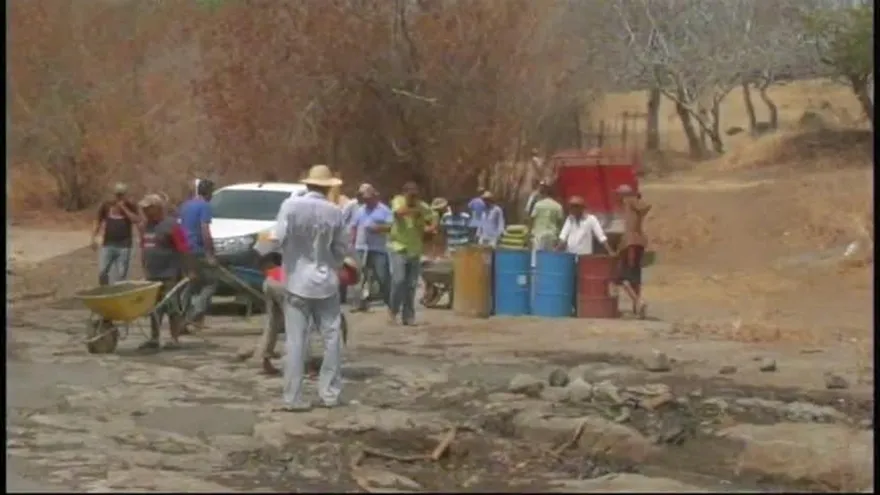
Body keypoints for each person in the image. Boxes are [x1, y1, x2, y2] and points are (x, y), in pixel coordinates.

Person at [271, 164, 350, 411]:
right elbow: (340, 250)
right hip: (326, 281)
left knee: (296, 341)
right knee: (332, 337)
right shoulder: (334, 212)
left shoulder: (290, 206)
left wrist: (288, 257)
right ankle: (329, 393)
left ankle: (293, 397)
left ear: (307, 184)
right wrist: (330, 264)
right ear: (328, 188)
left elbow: (279, 239)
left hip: (296, 281)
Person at [137, 194, 192, 351]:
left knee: (172, 306)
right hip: (152, 274)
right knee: (154, 308)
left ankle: (174, 339)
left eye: (148, 209)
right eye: (144, 209)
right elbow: (144, 247)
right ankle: (154, 338)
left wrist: (189, 270)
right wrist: (144, 267)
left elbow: (183, 248)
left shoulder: (171, 225)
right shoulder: (145, 226)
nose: (145, 212)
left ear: (158, 208)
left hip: (169, 273)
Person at [388, 180, 437, 326]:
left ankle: (408, 315)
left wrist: (431, 227)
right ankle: (393, 310)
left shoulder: (422, 206)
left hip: (415, 248)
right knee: (398, 280)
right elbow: (399, 212)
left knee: (411, 284)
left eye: (415, 195)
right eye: (410, 195)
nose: (413, 198)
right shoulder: (398, 201)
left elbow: (433, 217)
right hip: (398, 247)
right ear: (404, 194)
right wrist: (416, 211)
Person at [235, 256, 286, 375]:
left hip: (272, 278)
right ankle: (303, 363)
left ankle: (264, 359)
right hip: (287, 281)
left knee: (272, 324)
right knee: (297, 325)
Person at [179, 178, 217, 331]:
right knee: (210, 283)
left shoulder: (185, 205)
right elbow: (205, 230)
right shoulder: (205, 206)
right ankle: (194, 313)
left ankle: (181, 317)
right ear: (208, 193)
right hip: (197, 250)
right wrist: (210, 253)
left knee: (189, 283)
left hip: (183, 249)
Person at [350, 185, 392, 312]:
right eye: (365, 199)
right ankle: (360, 303)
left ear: (375, 197)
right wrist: (352, 242)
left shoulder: (384, 210)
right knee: (359, 276)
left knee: (382, 275)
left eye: (369, 198)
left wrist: (378, 228)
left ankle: (390, 301)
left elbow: (391, 226)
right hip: (361, 247)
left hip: (378, 248)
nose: (366, 201)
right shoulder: (360, 210)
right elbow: (353, 226)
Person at [91, 182, 140, 286]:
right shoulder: (107, 205)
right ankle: (104, 291)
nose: (119, 197)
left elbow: (136, 220)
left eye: (122, 195)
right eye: (118, 195)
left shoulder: (131, 206)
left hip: (124, 246)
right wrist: (93, 238)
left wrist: (124, 208)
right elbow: (98, 221)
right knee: (102, 271)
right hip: (108, 244)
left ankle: (118, 295)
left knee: (121, 275)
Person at [614, 184, 651, 319]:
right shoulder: (631, 206)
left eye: (619, 194)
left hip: (630, 243)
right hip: (638, 241)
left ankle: (638, 301)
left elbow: (646, 205)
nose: (617, 197)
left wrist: (633, 198)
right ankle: (637, 308)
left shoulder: (629, 202)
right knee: (635, 276)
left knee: (621, 277)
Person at [528, 181, 564, 252]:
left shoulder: (538, 205)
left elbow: (531, 219)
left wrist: (529, 234)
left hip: (538, 236)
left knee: (537, 259)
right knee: (549, 259)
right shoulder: (558, 206)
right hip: (552, 236)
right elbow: (560, 223)